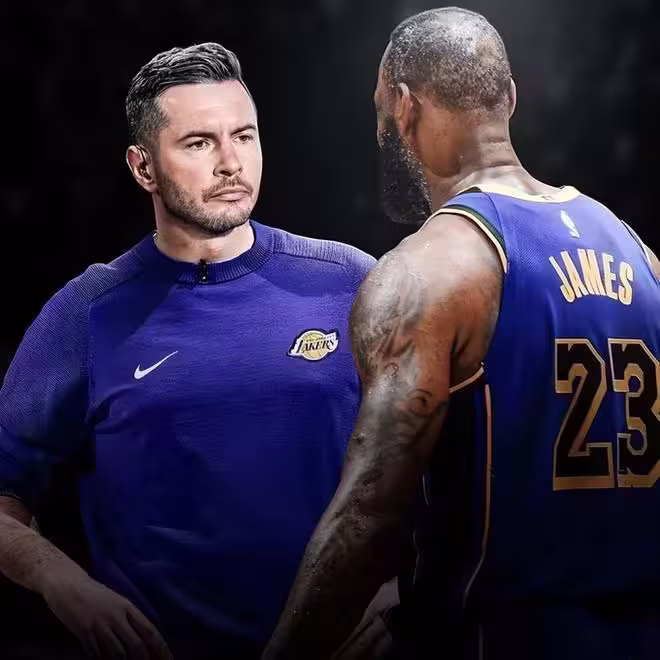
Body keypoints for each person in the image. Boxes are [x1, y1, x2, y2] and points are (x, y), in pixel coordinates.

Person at [264, 7, 660, 660]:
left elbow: (370, 519)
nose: (380, 128)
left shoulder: (431, 268)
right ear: (510, 98)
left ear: (402, 104)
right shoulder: (638, 254)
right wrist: (415, 596)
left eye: (379, 110)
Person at [0, 42, 375, 660]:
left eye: (244, 136)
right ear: (143, 167)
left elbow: (451, 455)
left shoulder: (351, 282)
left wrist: (405, 590)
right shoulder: (87, 312)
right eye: (199, 143)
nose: (231, 162)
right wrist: (63, 583)